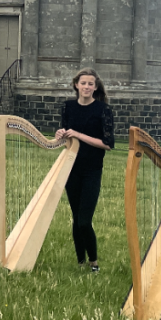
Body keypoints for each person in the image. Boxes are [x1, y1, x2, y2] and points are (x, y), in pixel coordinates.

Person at [55, 68, 115, 272]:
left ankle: (94, 263)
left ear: (95, 87)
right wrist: (60, 135)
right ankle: (80, 261)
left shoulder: (103, 110)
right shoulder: (68, 106)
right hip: (71, 168)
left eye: (91, 84)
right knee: (75, 216)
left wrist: (79, 135)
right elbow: (67, 138)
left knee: (84, 220)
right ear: (76, 85)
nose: (87, 87)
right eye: (83, 83)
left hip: (92, 170)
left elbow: (108, 143)